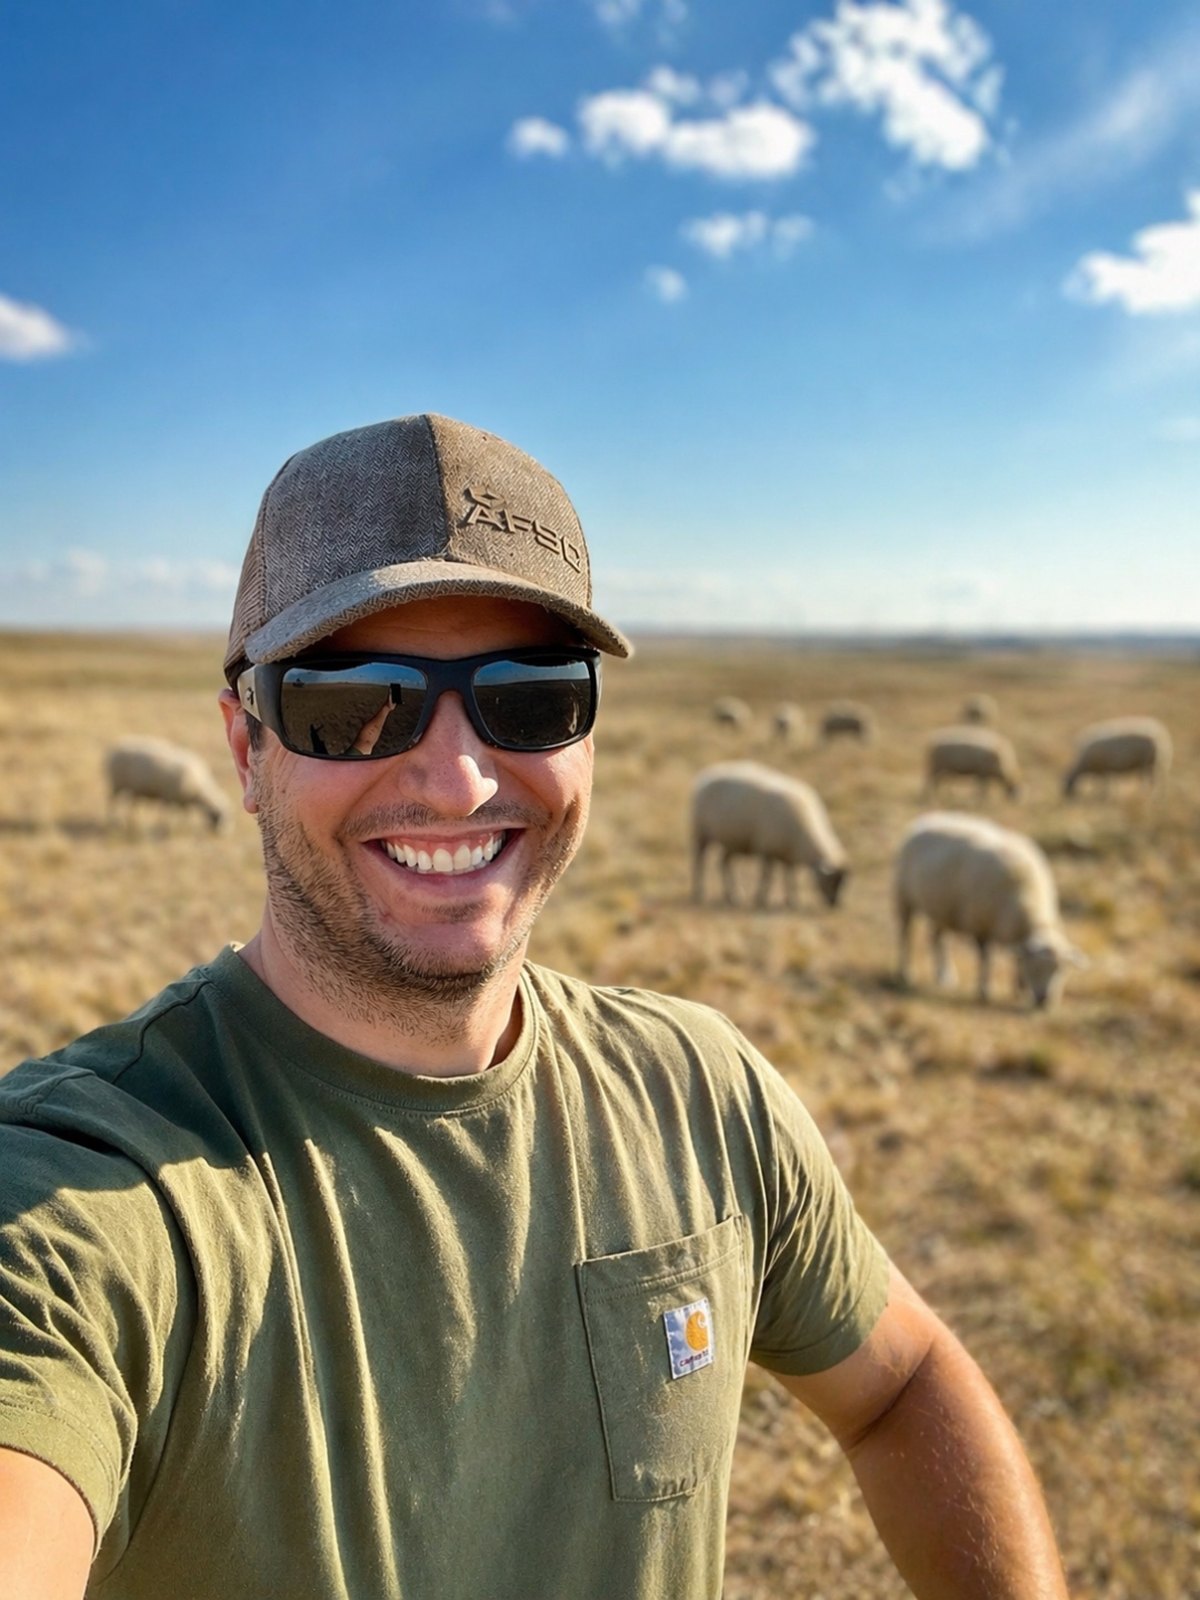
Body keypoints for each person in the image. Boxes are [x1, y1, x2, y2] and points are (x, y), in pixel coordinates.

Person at [0, 413, 1070, 1600]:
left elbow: (902, 1377)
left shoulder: (700, 1092)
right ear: (246, 749)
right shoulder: (81, 1195)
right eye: (353, 702)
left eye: (531, 697)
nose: (458, 778)